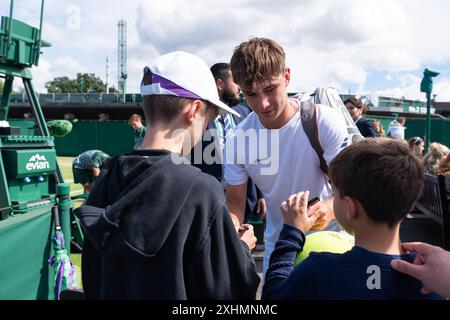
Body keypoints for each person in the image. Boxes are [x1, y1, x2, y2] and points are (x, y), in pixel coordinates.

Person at [74, 51, 260, 299]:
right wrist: (241, 251)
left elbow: (94, 276)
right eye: (208, 120)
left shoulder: (107, 177)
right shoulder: (201, 190)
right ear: (194, 110)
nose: (204, 130)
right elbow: (228, 293)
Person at [225, 37, 349, 277]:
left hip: (332, 245)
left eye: (270, 89)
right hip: (280, 250)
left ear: (287, 76)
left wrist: (326, 210)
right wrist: (232, 230)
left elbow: (351, 194)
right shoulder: (238, 138)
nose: (263, 104)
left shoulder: (323, 122)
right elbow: (235, 203)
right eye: (251, 94)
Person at [263, 138, 443, 300]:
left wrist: (291, 233)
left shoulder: (319, 271)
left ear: (350, 207)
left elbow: (271, 297)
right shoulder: (432, 279)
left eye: (334, 195)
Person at [210, 62, 266, 222]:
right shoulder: (199, 115)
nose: (240, 87)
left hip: (245, 199)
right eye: (235, 81)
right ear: (220, 84)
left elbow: (258, 155)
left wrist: (262, 193)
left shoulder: (246, 113)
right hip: (211, 198)